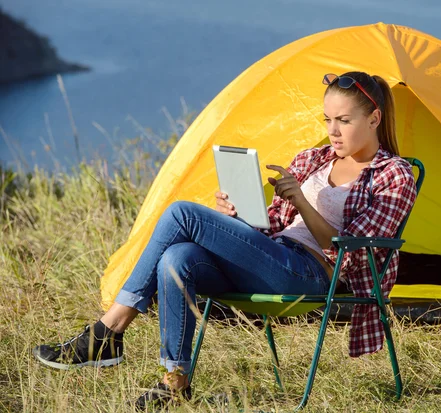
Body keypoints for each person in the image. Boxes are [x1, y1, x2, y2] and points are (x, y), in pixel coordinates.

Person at [32, 71, 417, 410]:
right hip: (273, 257)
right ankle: (174, 383)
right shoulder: (313, 160)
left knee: (182, 213)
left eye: (344, 121)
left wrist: (300, 197)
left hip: (312, 275)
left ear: (374, 118)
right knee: (177, 258)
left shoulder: (394, 175)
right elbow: (272, 230)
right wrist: (238, 219)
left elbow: (350, 249)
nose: (333, 131)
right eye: (328, 119)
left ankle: (109, 331)